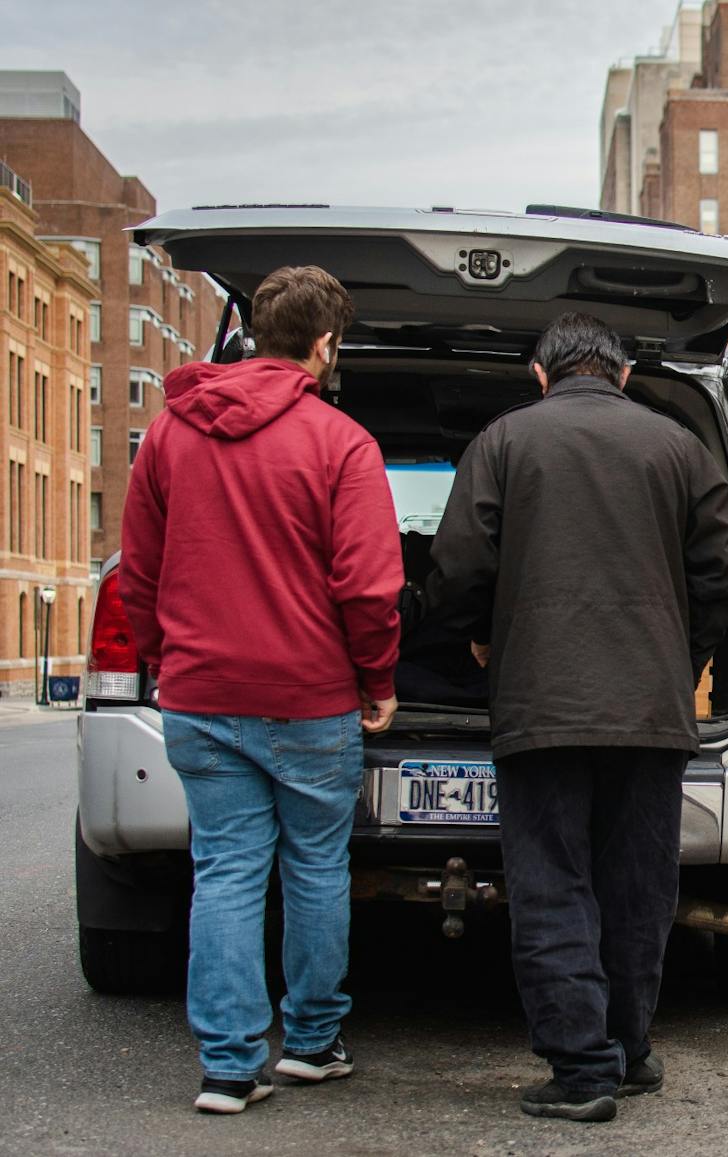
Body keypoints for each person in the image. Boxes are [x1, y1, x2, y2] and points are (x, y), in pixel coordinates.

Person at [430, 312, 728, 1123]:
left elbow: (461, 563)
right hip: (652, 708)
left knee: (552, 881)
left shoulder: (504, 440)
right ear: (625, 374)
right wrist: (685, 658)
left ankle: (581, 1068)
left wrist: (475, 636)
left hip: (542, 703)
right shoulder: (679, 447)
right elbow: (722, 577)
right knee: (638, 884)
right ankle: (629, 1048)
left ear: (542, 373)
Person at [120, 265, 403, 1114]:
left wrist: (163, 659)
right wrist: (377, 678)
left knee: (226, 870)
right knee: (316, 867)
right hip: (311, 698)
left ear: (250, 331)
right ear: (323, 345)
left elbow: (139, 569)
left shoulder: (171, 433)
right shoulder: (340, 442)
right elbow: (368, 588)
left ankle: (228, 1066)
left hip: (201, 697)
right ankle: (312, 1043)